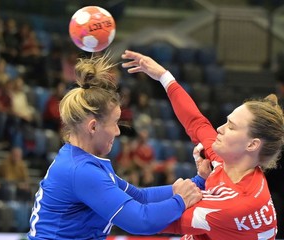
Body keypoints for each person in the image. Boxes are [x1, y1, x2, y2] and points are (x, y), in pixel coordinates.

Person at [27, 53, 207, 240]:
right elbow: (141, 220)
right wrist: (180, 201)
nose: (118, 132)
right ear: (93, 126)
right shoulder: (81, 170)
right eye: (115, 123)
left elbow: (140, 197)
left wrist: (197, 182)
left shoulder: (83, 161)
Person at [121, 50, 283, 240]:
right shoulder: (226, 162)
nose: (220, 129)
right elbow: (197, 123)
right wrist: (163, 76)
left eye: (231, 127)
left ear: (251, 145)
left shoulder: (234, 204)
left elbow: (144, 220)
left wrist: (179, 200)